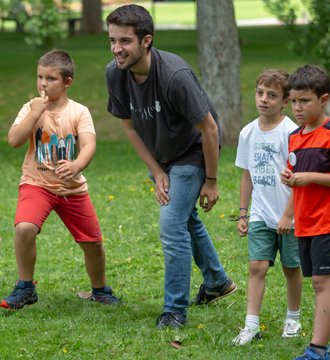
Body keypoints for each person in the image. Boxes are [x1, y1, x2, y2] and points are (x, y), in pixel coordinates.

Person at [105, 4, 236, 329]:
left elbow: (210, 130)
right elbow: (130, 128)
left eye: (125, 41)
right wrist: (158, 170)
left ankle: (174, 310)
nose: (117, 49)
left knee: (172, 223)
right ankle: (217, 282)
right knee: (185, 218)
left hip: (193, 152)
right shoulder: (114, 73)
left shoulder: (175, 76)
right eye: (112, 41)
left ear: (146, 41)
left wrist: (211, 180)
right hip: (161, 155)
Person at [0, 50, 119, 310]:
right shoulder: (30, 109)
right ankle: (25, 287)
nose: (43, 83)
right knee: (24, 228)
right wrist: (35, 112)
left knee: (94, 244)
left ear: (67, 82)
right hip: (36, 183)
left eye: (51, 78)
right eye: (40, 77)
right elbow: (13, 140)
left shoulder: (79, 112)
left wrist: (76, 165)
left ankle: (100, 290)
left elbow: (89, 144)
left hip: (72, 189)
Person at [281, 65, 330, 360]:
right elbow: (298, 176)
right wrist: (291, 180)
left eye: (305, 101)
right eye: (293, 101)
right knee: (326, 278)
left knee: (320, 282)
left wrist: (311, 176)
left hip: (329, 221)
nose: (297, 107)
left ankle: (317, 349)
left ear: (323, 99)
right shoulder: (295, 137)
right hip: (305, 222)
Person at [232, 69, 303, 346]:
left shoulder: (292, 133)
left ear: (285, 100)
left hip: (291, 216)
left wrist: (288, 214)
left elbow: (299, 181)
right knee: (257, 267)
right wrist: (243, 213)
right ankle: (251, 326)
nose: (264, 99)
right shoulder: (247, 133)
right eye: (260, 93)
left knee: (291, 268)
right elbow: (247, 176)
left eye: (272, 95)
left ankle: (293, 319)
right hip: (261, 214)